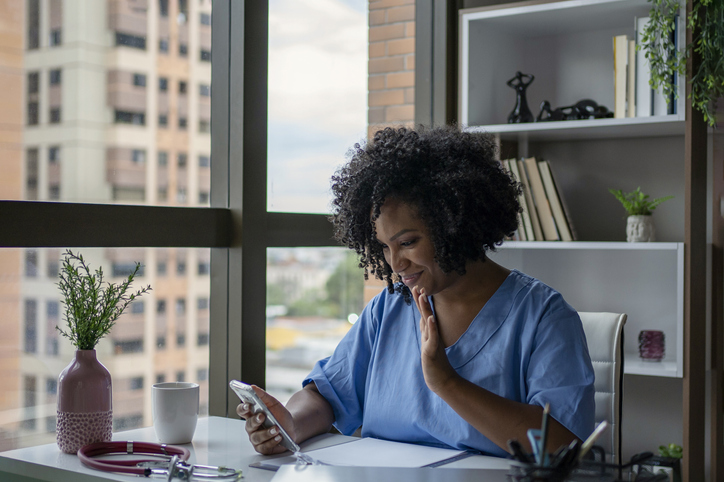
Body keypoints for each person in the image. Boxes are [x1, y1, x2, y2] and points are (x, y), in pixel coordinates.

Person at [238, 125, 595, 458]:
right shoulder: (388, 309)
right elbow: (328, 394)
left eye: (407, 242)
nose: (395, 263)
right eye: (383, 247)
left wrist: (446, 382)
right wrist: (291, 424)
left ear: (455, 224)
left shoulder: (544, 317)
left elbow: (560, 445)